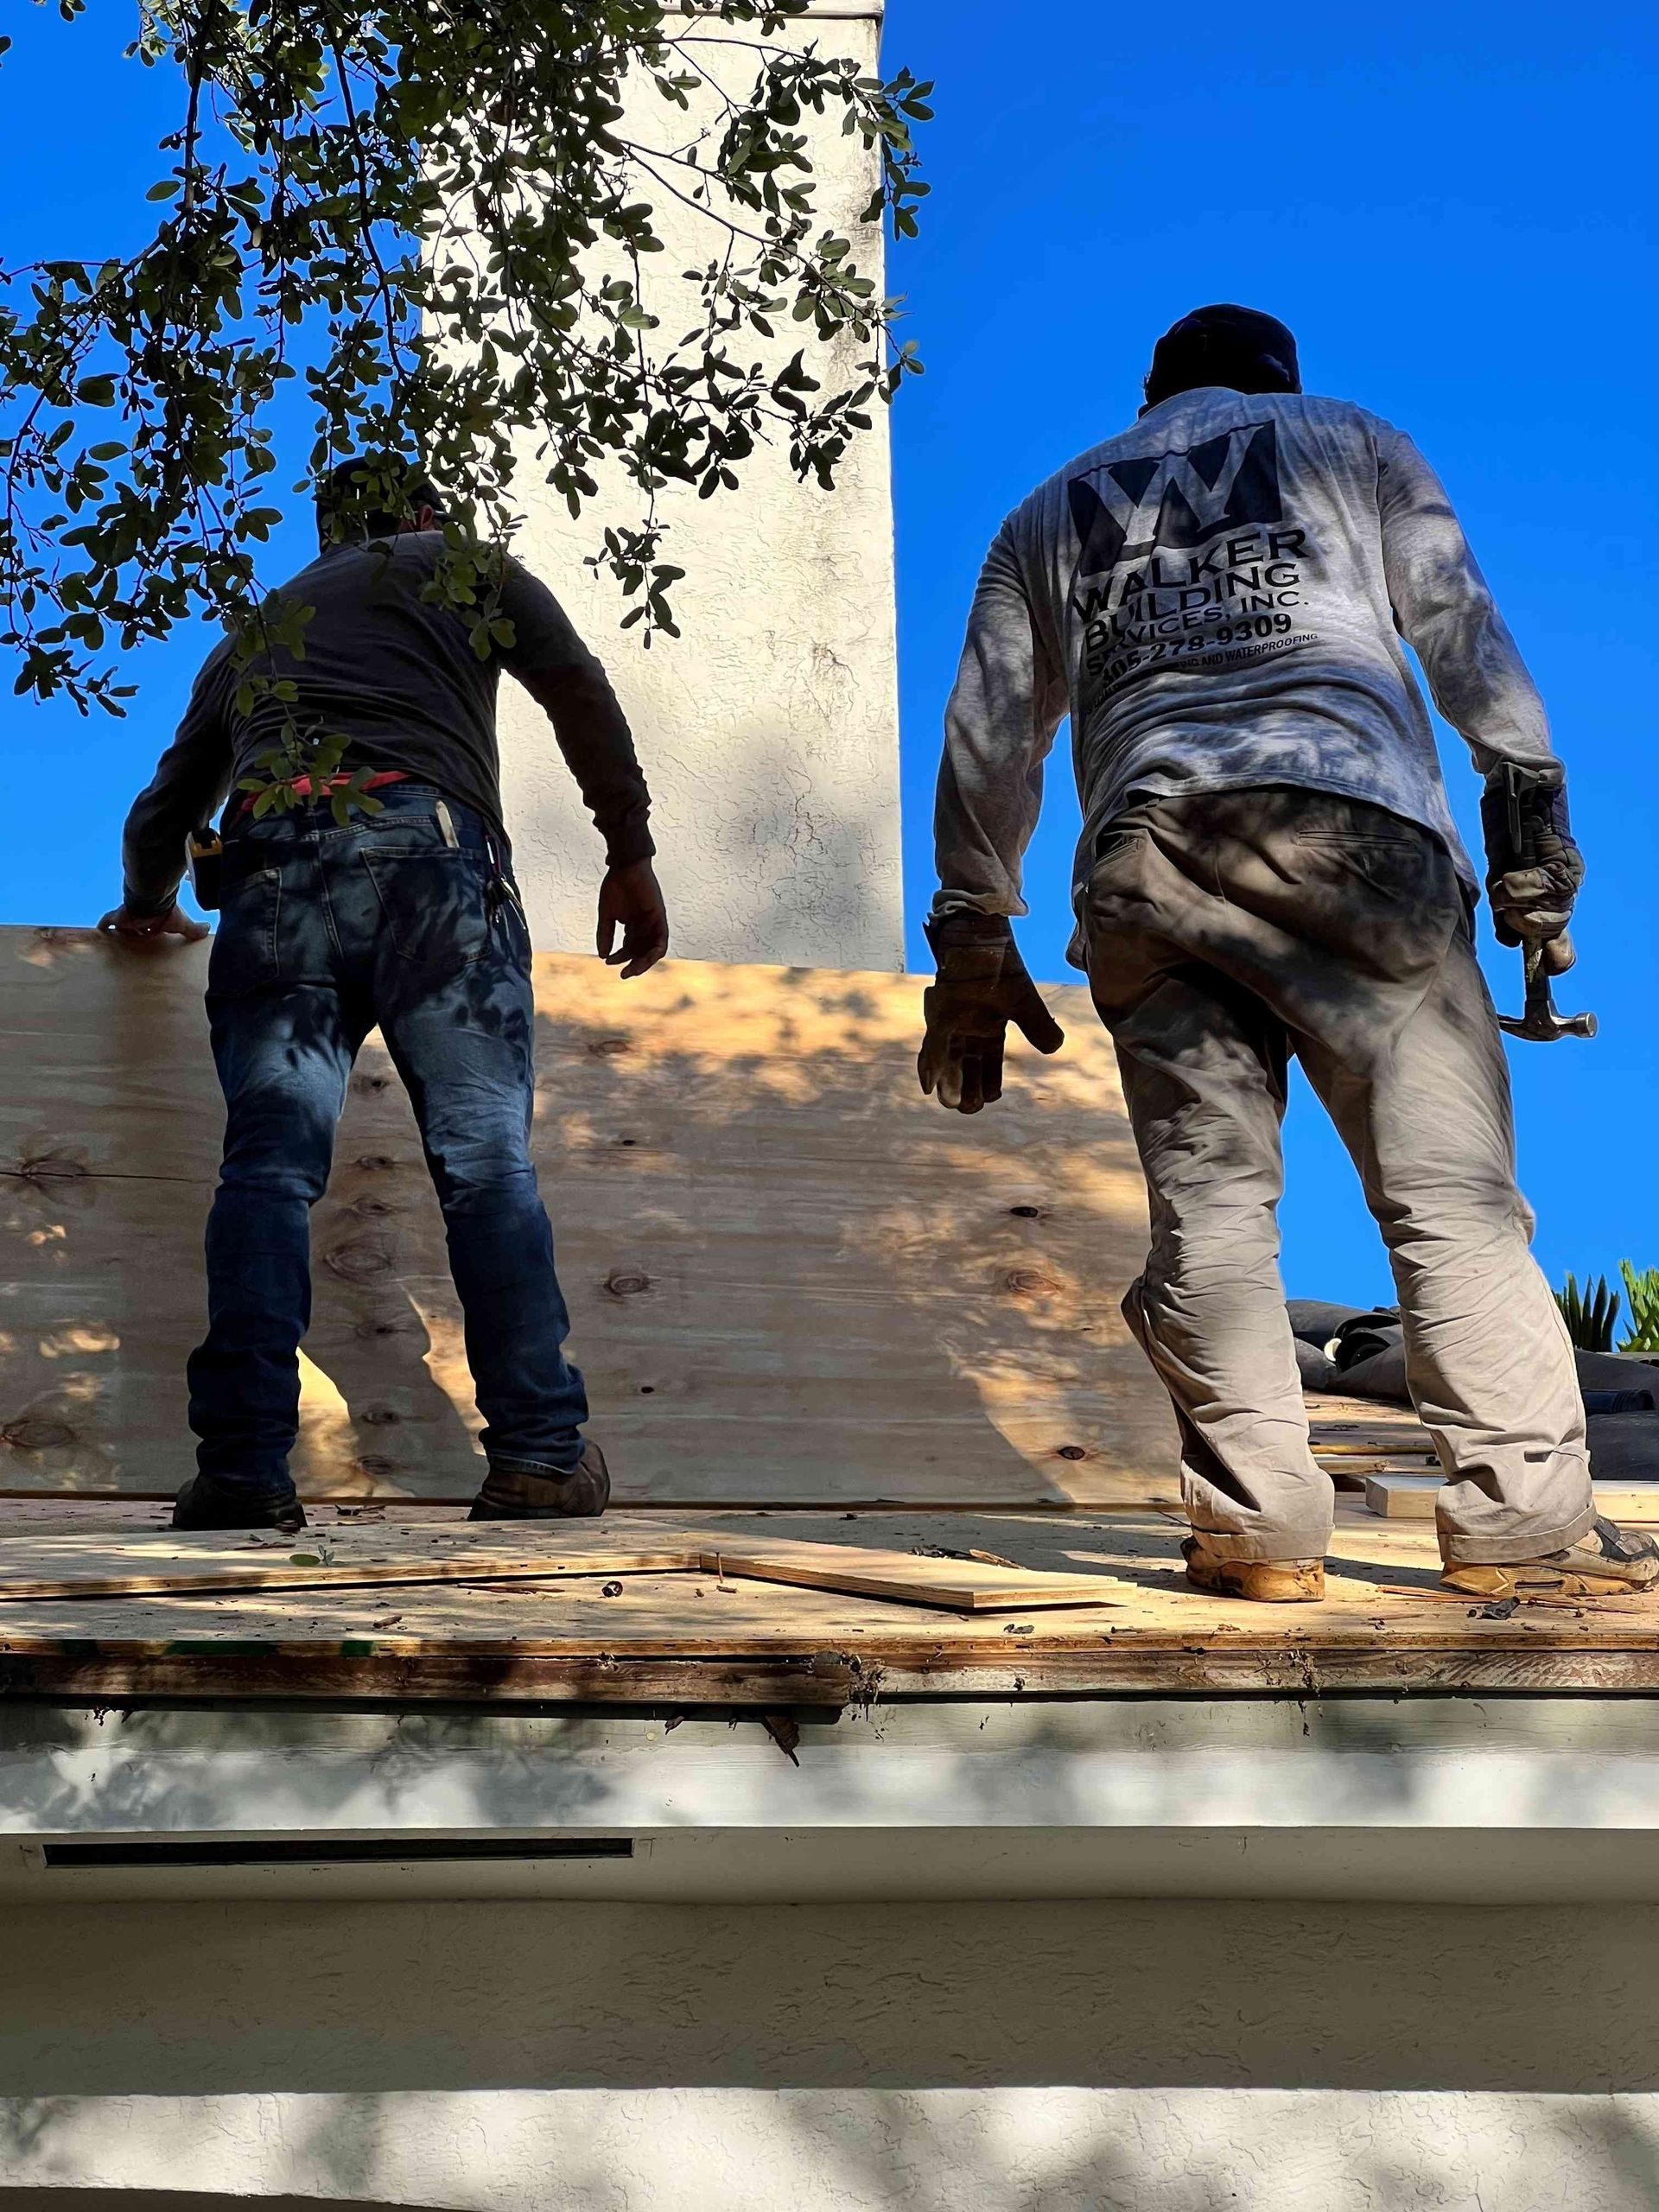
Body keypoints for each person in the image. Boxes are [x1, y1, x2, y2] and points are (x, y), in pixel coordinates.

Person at [918, 304, 1656, 1602]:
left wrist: (974, 929)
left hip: (1146, 858)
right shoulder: (1352, 440)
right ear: (1279, 383)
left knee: (1211, 1209)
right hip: (1354, 837)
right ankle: (1523, 1536)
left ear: (1154, 395)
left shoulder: (1043, 513)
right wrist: (1531, 824)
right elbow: (1460, 630)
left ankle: (1256, 1535)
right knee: (1450, 1203)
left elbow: (992, 729)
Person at [100, 459, 669, 1532]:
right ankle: (540, 1456)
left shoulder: (258, 629)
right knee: (485, 1162)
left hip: (272, 882)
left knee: (266, 1171)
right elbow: (578, 689)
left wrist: (147, 902)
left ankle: (242, 1472)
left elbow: (166, 807)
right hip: (434, 870)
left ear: (325, 529)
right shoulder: (463, 566)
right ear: (422, 514)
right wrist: (628, 849)